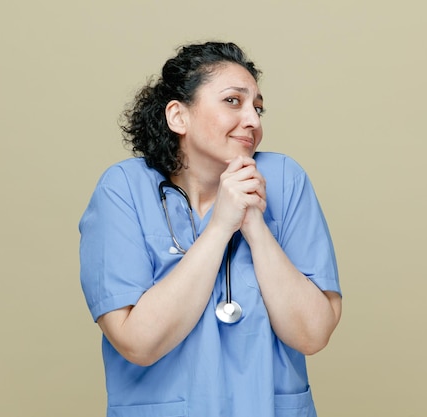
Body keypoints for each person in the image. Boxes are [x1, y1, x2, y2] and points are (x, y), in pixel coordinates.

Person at [79, 41, 342, 417]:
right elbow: (138, 342)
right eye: (233, 101)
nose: (253, 119)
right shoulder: (123, 190)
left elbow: (313, 334)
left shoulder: (285, 180)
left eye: (258, 107)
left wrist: (253, 222)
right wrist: (220, 226)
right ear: (178, 116)